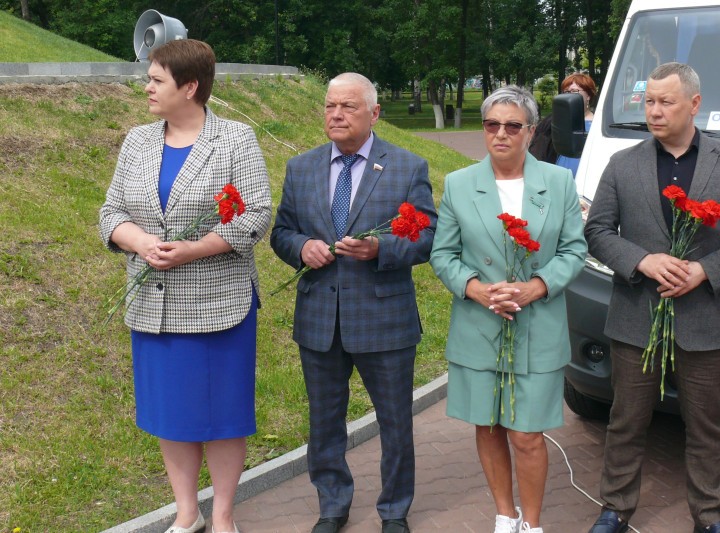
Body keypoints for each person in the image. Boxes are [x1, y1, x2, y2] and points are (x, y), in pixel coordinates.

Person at [584, 63, 720, 533]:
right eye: (648, 101)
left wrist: (704, 271)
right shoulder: (622, 164)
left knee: (706, 427)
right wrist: (641, 261)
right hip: (636, 315)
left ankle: (709, 516)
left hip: (704, 319)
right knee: (626, 420)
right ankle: (614, 509)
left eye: (665, 102)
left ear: (694, 104)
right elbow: (596, 231)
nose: (653, 110)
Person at [99, 39, 272, 533]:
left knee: (222, 416)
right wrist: (139, 241)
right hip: (153, 307)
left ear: (190, 87)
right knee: (170, 415)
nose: (147, 87)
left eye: (157, 80)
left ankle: (222, 518)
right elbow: (110, 213)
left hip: (219, 307)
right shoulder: (137, 141)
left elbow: (256, 214)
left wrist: (195, 248)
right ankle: (187, 514)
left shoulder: (235, 139)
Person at [270, 72, 437, 533]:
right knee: (324, 421)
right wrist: (301, 247)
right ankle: (332, 505)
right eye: (330, 106)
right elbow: (281, 232)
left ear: (374, 113)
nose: (336, 114)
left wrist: (381, 249)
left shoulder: (406, 167)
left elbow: (426, 235)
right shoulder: (300, 168)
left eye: (348, 106)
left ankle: (394, 511)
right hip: (320, 318)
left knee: (395, 422)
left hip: (384, 319)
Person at [430, 85, 587, 533]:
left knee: (527, 434)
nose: (500, 133)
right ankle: (505, 514)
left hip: (538, 325)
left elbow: (575, 251)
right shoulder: (459, 183)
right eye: (491, 124)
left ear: (530, 130)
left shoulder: (558, 183)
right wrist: (476, 289)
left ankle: (532, 523)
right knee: (489, 426)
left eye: (512, 125)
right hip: (480, 324)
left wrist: (537, 287)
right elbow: (443, 254)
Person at [529, 73, 596, 175]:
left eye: (574, 91)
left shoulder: (599, 123)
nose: (569, 95)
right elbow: (538, 151)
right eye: (566, 92)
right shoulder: (553, 120)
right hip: (558, 174)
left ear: (589, 96)